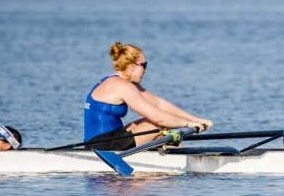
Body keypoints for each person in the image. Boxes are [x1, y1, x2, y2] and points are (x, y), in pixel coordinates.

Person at [84, 42, 212, 151]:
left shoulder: (120, 81)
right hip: (100, 145)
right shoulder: (121, 85)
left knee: (155, 122)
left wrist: (196, 120)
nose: (146, 70)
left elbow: (159, 104)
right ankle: (166, 154)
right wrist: (188, 124)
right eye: (144, 65)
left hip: (111, 138)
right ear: (132, 66)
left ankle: (164, 148)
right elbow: (159, 119)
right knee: (159, 124)